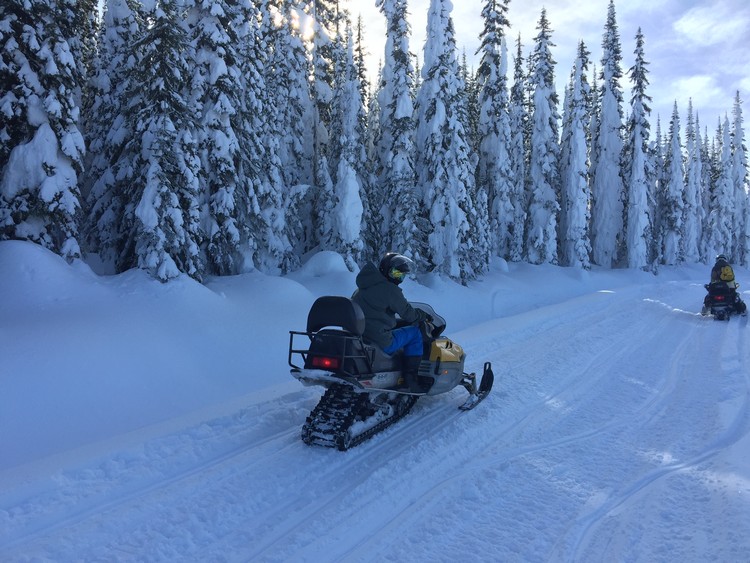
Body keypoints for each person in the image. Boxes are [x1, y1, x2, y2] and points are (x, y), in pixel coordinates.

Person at [352, 252, 430, 391]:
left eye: (401, 275)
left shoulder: (362, 287)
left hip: (360, 336)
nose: (398, 278)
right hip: (380, 339)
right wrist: (422, 315)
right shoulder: (390, 289)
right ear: (385, 270)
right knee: (415, 333)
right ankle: (410, 378)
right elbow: (408, 314)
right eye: (395, 273)